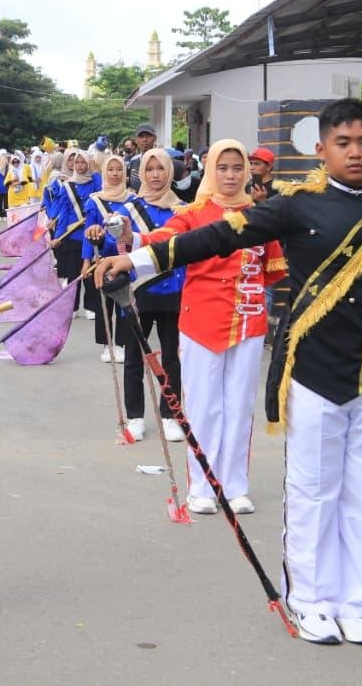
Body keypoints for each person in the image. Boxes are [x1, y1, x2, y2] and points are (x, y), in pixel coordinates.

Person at [95, 98, 362, 647]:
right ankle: (309, 598)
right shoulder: (297, 206)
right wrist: (134, 262)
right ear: (320, 149)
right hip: (315, 370)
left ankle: (355, 600)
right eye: (342, 143)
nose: (354, 152)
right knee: (314, 489)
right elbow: (217, 236)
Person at [113, 140, 285, 510]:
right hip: (201, 321)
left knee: (240, 406)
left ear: (247, 171)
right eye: (222, 168)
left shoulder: (261, 215)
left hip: (248, 322)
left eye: (237, 168)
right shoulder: (194, 213)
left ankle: (235, 486)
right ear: (210, 170)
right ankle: (202, 488)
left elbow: (272, 272)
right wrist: (130, 239)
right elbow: (163, 241)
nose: (230, 175)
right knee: (205, 406)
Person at [111, 149, 186, 443]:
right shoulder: (129, 209)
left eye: (161, 169)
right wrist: (98, 232)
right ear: (142, 173)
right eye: (150, 169)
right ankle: (135, 417)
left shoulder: (184, 209)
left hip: (175, 290)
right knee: (133, 357)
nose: (155, 175)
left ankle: (170, 415)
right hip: (138, 292)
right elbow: (112, 243)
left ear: (170, 172)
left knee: (171, 358)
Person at [80, 154, 134, 363]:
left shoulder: (132, 199)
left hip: (125, 258)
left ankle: (121, 342)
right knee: (104, 303)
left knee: (124, 302)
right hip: (101, 258)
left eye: (119, 169)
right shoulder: (95, 200)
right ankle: (106, 344)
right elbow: (88, 233)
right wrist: (86, 261)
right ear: (104, 172)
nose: (114, 174)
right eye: (110, 169)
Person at [49, 149, 98, 318]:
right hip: (71, 235)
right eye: (76, 162)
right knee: (72, 273)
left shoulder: (95, 182)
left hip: (91, 233)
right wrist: (57, 237)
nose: (80, 165)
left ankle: (91, 306)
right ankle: (73, 305)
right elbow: (63, 212)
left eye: (83, 162)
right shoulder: (67, 186)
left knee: (90, 272)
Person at [126, 123, 158, 190]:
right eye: (141, 136)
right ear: (136, 140)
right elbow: (128, 179)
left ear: (155, 138)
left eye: (148, 136)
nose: (144, 140)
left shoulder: (162, 160)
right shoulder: (133, 161)